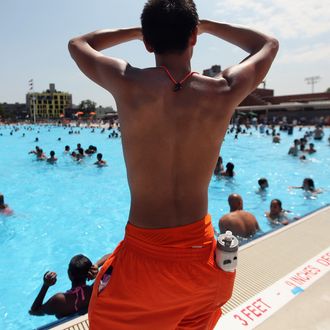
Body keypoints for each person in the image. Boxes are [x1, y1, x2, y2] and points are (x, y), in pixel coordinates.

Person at [68, 0, 278, 328]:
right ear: (193, 36)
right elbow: (267, 44)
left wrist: (138, 32)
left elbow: (78, 44)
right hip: (203, 262)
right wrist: (205, 25)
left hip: (145, 261)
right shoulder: (223, 89)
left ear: (149, 42)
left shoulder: (127, 82)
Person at [29, 255, 94, 319]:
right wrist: (97, 266)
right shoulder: (95, 290)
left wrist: (46, 285)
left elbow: (34, 311)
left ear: (69, 273)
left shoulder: (59, 300)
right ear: (90, 274)